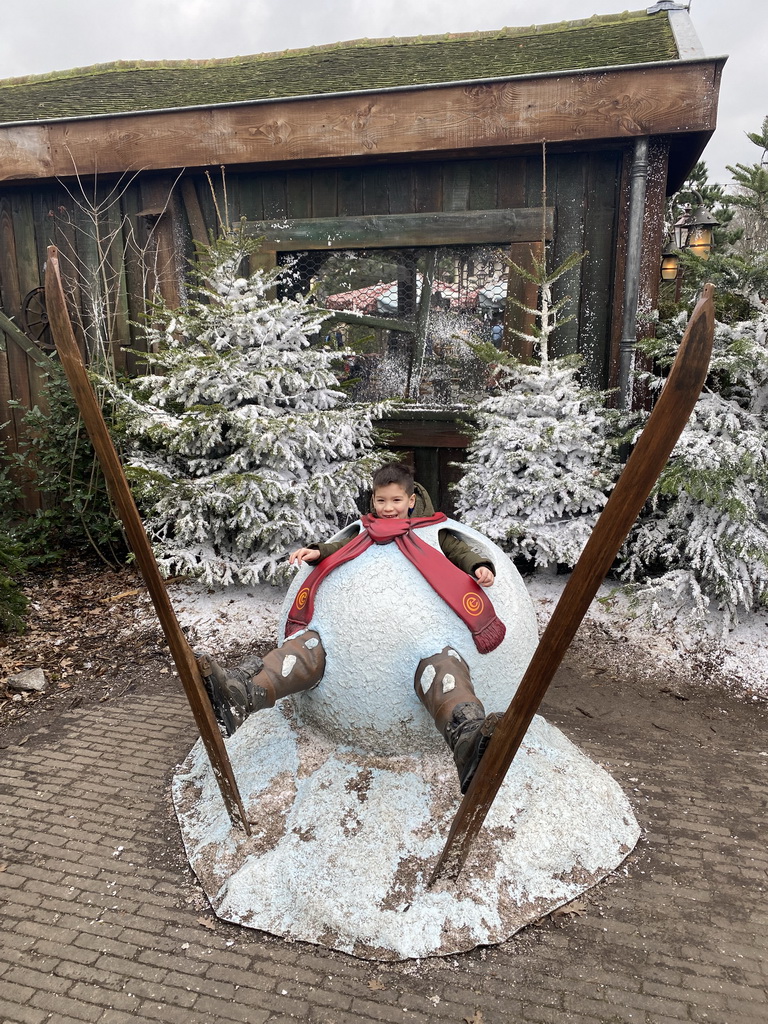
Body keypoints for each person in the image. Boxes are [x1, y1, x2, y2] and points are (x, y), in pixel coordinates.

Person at [203, 462, 505, 793]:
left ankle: (467, 739)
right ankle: (242, 694)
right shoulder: (364, 531)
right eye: (381, 501)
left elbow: (462, 550)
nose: (388, 509)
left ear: (411, 499)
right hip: (335, 646)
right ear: (373, 500)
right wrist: (317, 551)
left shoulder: (436, 532)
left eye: (395, 501)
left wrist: (480, 567)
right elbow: (340, 548)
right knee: (306, 649)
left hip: (429, 645)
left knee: (443, 668)